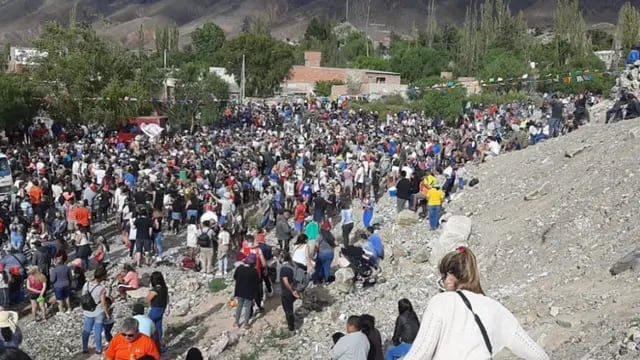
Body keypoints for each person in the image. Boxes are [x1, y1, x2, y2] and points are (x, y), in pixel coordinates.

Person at [403, 247, 549, 360]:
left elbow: (421, 352)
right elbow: (537, 354)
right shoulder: (495, 308)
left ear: (450, 276)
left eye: (443, 276)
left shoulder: (441, 302)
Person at [82, 266, 111, 355]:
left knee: (86, 329)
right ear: (102, 277)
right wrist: (107, 314)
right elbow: (103, 303)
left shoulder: (86, 284)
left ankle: (85, 348)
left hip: (87, 310)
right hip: (98, 311)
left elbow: (83, 296)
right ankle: (98, 349)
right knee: (97, 331)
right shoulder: (101, 289)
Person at [233, 253, 260, 330]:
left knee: (239, 306)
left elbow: (235, 277)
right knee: (248, 307)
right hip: (249, 291)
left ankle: (236, 323)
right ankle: (246, 324)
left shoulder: (239, 268)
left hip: (240, 290)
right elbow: (256, 282)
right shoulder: (254, 271)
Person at [146, 271, 168, 349]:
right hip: (162, 308)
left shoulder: (155, 290)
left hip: (155, 309)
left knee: (149, 325)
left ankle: (151, 344)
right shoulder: (164, 288)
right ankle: (160, 344)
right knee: (158, 326)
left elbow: (147, 300)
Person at [279, 253, 300, 334]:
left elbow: (286, 282)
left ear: (282, 258)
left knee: (288, 310)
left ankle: (291, 328)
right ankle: (291, 322)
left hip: (287, 292)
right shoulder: (293, 265)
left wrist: (292, 291)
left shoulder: (283, 269)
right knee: (290, 308)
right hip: (295, 288)